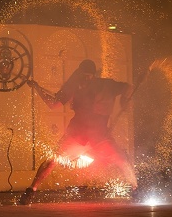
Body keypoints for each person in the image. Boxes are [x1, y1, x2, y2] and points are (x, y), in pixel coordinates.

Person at [20, 59, 138, 205]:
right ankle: (31, 190)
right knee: (53, 159)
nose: (85, 79)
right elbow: (53, 103)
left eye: (88, 76)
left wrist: (124, 101)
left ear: (94, 75)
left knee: (121, 159)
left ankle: (135, 189)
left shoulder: (107, 85)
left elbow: (129, 87)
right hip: (77, 132)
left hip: (99, 134)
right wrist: (37, 88)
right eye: (83, 76)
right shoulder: (73, 87)